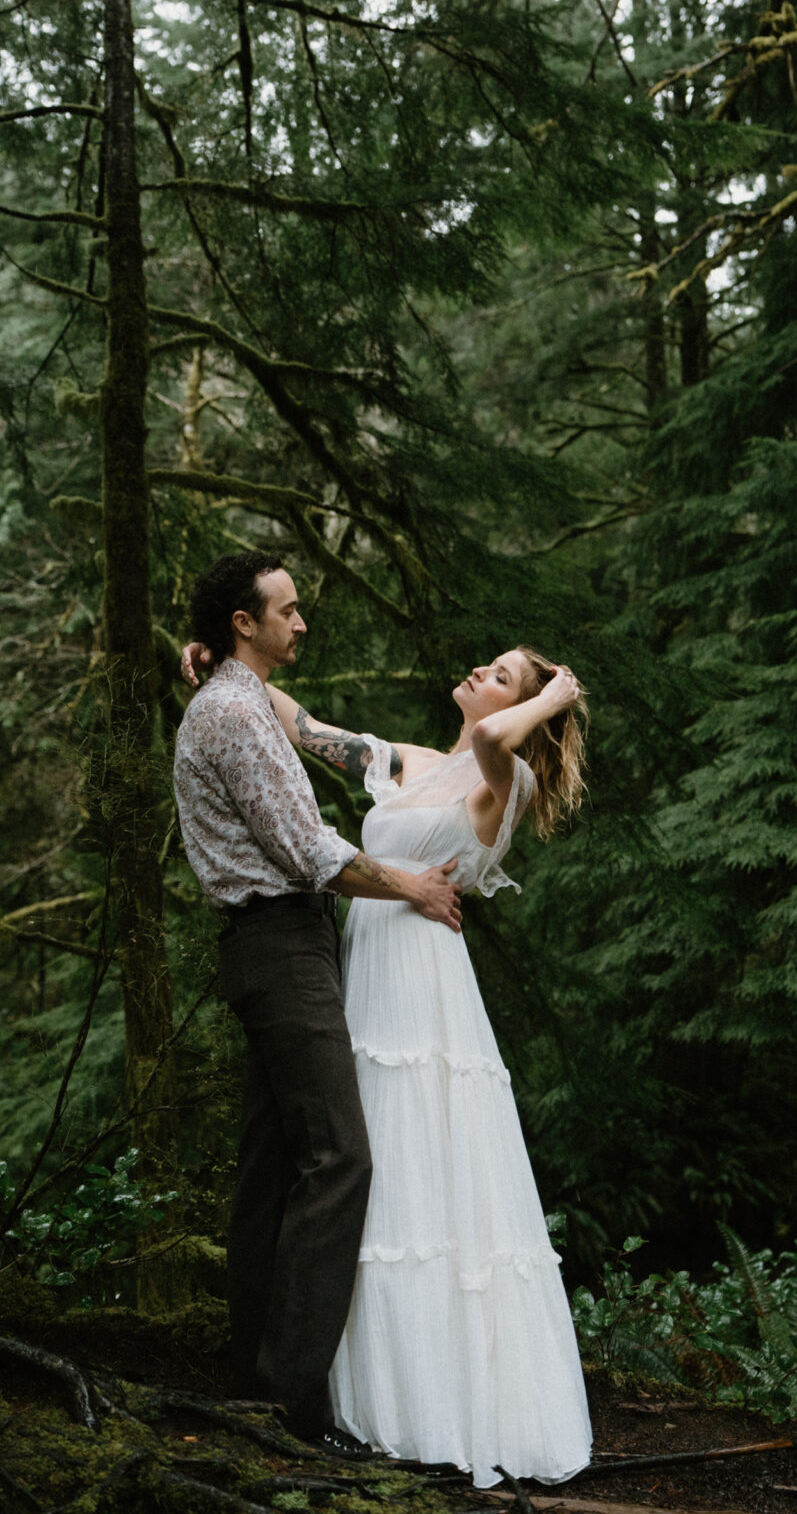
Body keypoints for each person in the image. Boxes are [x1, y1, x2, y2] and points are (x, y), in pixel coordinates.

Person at [181, 618, 593, 1486]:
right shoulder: (405, 760)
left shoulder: (500, 778)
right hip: (359, 973)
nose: (480, 669)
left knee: (416, 1168)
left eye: (503, 674)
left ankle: (429, 1399)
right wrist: (225, 669)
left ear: (522, 709)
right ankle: (326, 1380)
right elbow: (298, 723)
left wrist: (555, 697)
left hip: (424, 990)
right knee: (347, 1160)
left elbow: (486, 736)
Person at [171, 551, 461, 1456]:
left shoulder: (238, 700)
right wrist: (411, 886)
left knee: (272, 1166)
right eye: (286, 612)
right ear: (242, 626)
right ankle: (289, 1408)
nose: (302, 624)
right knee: (339, 1159)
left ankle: (253, 1387)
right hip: (281, 943)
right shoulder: (233, 715)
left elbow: (311, 734)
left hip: (273, 945)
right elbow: (309, 853)